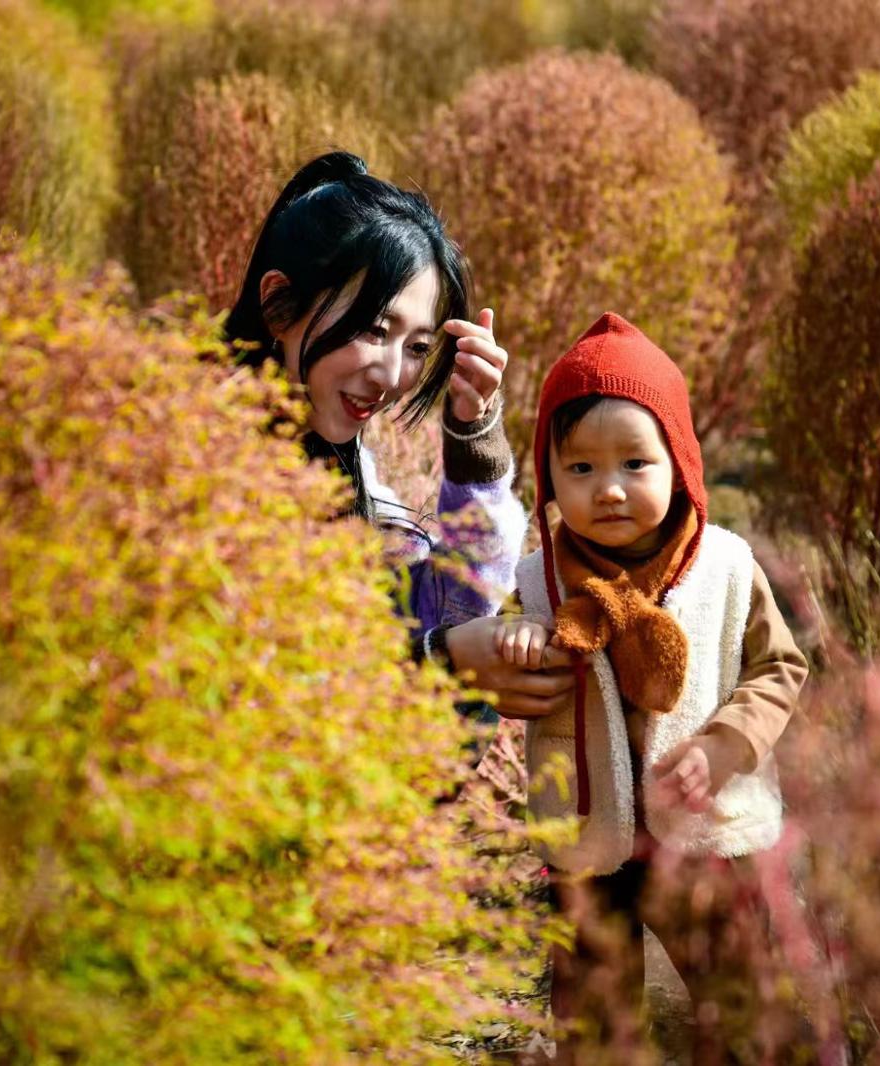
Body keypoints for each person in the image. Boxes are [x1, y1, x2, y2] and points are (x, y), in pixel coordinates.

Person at [496, 312, 813, 1063]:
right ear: (550, 477)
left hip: (704, 839)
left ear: (680, 464)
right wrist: (515, 645)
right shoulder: (538, 582)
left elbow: (780, 667)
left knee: (740, 1008)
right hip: (589, 845)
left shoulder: (725, 569)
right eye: (580, 470)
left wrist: (727, 745)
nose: (608, 490)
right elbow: (515, 683)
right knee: (593, 1025)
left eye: (634, 464)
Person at [225, 150, 570, 725]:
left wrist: (473, 430)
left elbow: (457, 602)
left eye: (416, 348)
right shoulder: (195, 465)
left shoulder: (343, 467)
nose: (391, 377)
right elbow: (257, 690)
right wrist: (441, 662)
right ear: (278, 301)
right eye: (372, 329)